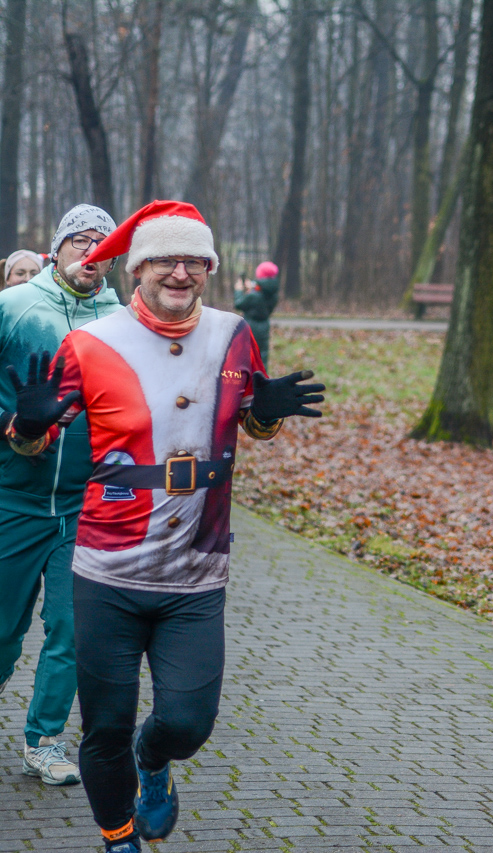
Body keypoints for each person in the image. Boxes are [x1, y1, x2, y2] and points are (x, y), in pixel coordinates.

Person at [3, 200, 325, 853]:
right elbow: (31, 443)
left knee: (186, 722)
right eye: (164, 260)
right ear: (137, 267)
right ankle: (118, 837)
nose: (180, 272)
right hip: (106, 566)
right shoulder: (91, 342)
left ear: (208, 266)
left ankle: (156, 761)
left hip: (195, 570)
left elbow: (254, 423)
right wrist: (29, 425)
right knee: (104, 729)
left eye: (193, 260)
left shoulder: (236, 333)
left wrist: (267, 415)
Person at [0, 204, 119, 789]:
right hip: (12, 499)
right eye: (80, 240)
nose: (90, 252)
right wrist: (11, 420)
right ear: (57, 248)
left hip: (83, 505)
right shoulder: (14, 307)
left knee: (72, 629)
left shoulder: (122, 319)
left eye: (102, 244)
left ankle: (43, 741)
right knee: (2, 629)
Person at [233, 261, 280, 369]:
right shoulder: (273, 293)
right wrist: (252, 289)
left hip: (250, 326)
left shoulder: (255, 296)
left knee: (246, 355)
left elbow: (239, 304)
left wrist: (239, 291)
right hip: (264, 325)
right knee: (262, 355)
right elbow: (260, 293)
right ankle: (262, 380)